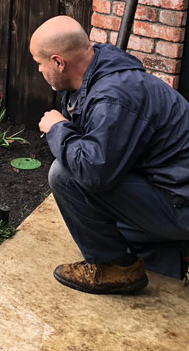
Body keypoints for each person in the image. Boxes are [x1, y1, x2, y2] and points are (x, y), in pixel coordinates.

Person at [31, 15, 189, 294]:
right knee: (102, 222)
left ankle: (116, 268)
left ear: (58, 62)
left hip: (181, 204)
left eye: (40, 63)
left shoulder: (113, 98)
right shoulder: (95, 71)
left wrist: (57, 129)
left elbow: (94, 172)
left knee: (65, 176)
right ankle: (175, 251)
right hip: (171, 188)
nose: (40, 71)